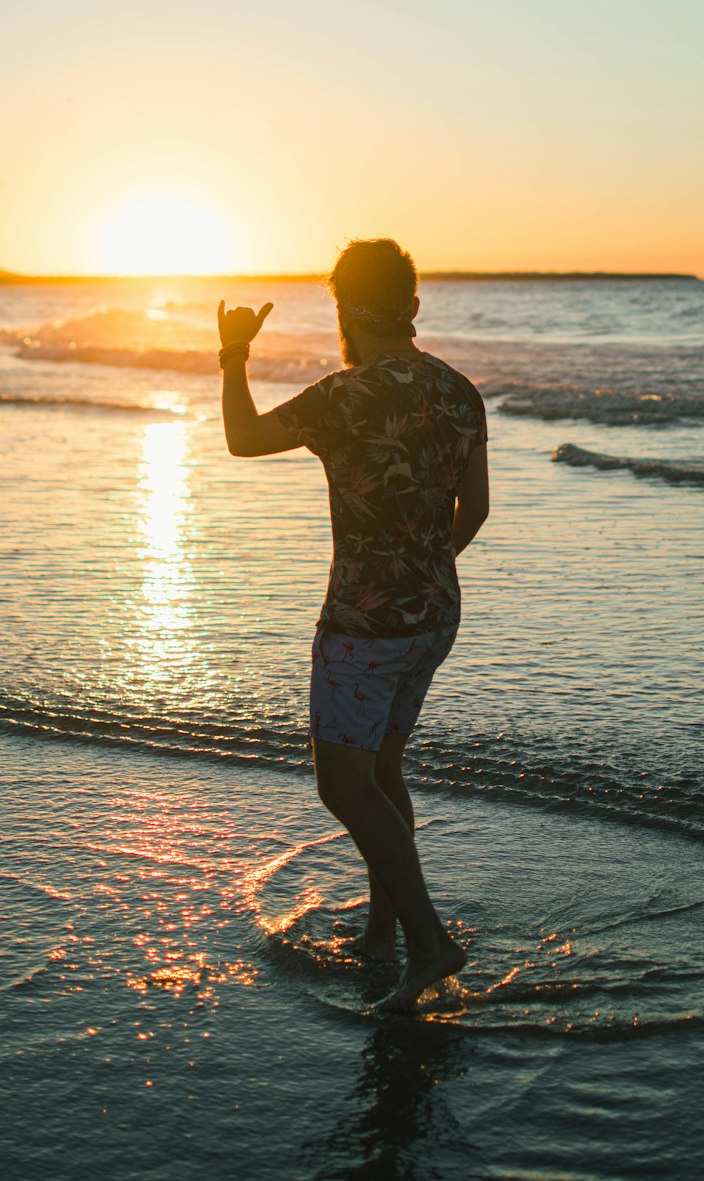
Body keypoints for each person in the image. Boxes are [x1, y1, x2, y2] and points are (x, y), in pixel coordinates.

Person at [218, 238, 489, 1012]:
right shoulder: (457, 390)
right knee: (383, 774)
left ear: (346, 307)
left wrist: (234, 355)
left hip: (364, 628)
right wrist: (425, 564)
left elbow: (242, 437)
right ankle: (383, 932)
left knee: (343, 786)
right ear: (409, 302)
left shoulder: (345, 395)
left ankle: (430, 942)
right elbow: (479, 507)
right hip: (436, 614)